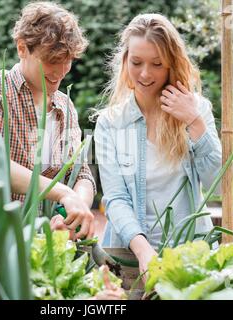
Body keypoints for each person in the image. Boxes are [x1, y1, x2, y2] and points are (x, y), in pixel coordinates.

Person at [94, 13, 222, 276]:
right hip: (128, 255)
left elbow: (218, 185)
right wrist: (144, 253)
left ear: (171, 65)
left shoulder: (197, 110)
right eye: (137, 62)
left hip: (192, 253)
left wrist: (194, 122)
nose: (144, 73)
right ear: (125, 60)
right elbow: (116, 198)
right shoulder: (111, 123)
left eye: (156, 63)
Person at [0, 2, 96, 239]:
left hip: (49, 249)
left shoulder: (66, 107)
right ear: (22, 48)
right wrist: (61, 192)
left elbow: (81, 174)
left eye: (68, 60)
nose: (62, 71)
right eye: (52, 60)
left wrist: (75, 211)